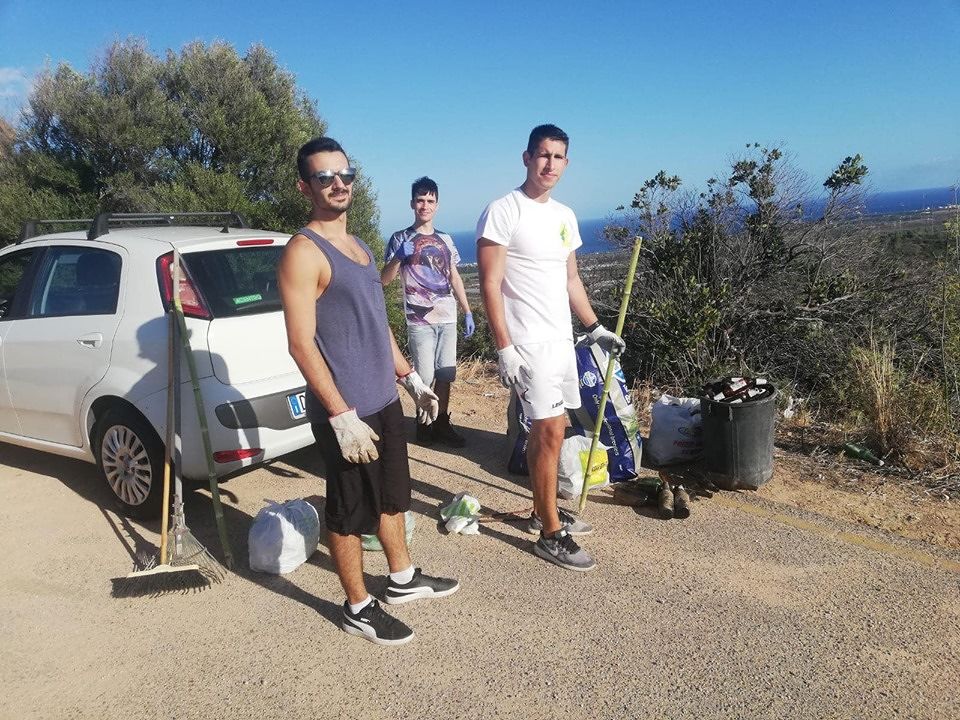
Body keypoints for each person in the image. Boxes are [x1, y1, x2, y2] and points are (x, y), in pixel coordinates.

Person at [278, 137, 459, 645]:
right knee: (347, 511)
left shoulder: (357, 246)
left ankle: (401, 579)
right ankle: (357, 606)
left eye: (346, 175)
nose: (339, 184)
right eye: (325, 178)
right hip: (349, 412)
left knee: (393, 497)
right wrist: (339, 414)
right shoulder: (302, 252)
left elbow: (376, 326)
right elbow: (299, 343)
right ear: (304, 187)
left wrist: (412, 379)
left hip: (384, 401)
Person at [476, 124, 626, 572]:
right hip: (528, 343)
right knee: (548, 430)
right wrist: (504, 346)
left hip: (562, 340)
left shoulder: (565, 215)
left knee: (558, 427)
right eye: (542, 155)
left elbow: (571, 279)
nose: (549, 164)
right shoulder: (504, 210)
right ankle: (549, 532)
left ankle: (546, 511)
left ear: (567, 162)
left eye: (558, 157)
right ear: (526, 157)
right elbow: (489, 282)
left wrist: (594, 327)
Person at [381, 177, 474, 447]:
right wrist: (398, 256)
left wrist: (467, 310)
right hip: (419, 320)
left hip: (447, 317)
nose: (425, 205)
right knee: (424, 377)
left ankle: (442, 422)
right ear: (412, 203)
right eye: (420, 200)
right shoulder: (400, 237)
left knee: (445, 375)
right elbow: (385, 279)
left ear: (437, 205)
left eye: (430, 200)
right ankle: (424, 425)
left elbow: (454, 276)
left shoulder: (445, 239)